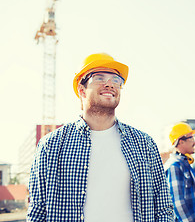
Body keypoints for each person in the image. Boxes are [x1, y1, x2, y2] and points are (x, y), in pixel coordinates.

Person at [27, 53, 174, 221]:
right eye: (99, 78)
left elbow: (163, 208)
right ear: (81, 90)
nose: (110, 84)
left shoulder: (144, 144)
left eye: (116, 80)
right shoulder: (51, 146)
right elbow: (37, 212)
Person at [164, 122, 195, 222]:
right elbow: (177, 203)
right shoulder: (175, 166)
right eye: (191, 138)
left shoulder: (185, 164)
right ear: (180, 142)